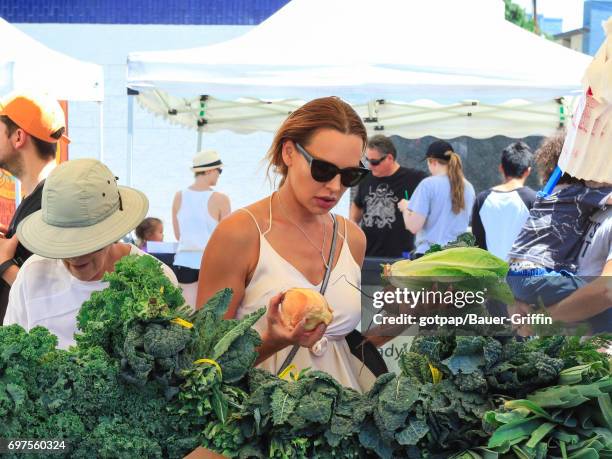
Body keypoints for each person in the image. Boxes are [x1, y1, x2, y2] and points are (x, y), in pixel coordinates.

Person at [196, 96, 384, 393]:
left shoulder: (352, 238)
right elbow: (204, 360)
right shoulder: (240, 233)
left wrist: (408, 315)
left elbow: (340, 343)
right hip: (258, 422)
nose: (335, 187)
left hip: (342, 420)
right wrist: (274, 341)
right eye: (322, 170)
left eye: (350, 175)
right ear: (289, 152)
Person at [3, 159, 178, 349]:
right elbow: (10, 355)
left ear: (112, 230)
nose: (75, 256)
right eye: (63, 241)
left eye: (85, 242)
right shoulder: (32, 274)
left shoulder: (157, 281)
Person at [505, 130, 612, 312]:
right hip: (537, 274)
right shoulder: (579, 193)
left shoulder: (549, 194)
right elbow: (605, 292)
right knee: (595, 293)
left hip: (515, 273)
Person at [0, 92, 68, 323]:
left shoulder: (52, 204)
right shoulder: (43, 196)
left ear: (18, 136)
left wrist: (4, 264)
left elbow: (63, 298)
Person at [350, 135, 426, 258]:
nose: (370, 166)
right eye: (367, 160)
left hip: (400, 257)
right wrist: (352, 222)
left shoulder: (414, 178)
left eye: (374, 162)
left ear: (389, 158)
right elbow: (357, 204)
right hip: (368, 255)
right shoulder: (366, 178)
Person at [172, 150, 230, 308]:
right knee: (210, 316)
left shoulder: (179, 196)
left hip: (184, 261)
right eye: (220, 170)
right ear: (210, 170)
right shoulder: (221, 199)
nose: (219, 175)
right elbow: (226, 238)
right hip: (211, 262)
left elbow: (178, 235)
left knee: (186, 315)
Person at [397, 140, 475, 257]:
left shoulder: (428, 185)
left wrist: (405, 208)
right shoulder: (468, 187)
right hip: (457, 258)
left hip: (430, 257)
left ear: (432, 161)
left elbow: (413, 226)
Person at [471, 141, 536, 260]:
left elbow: (477, 243)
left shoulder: (482, 199)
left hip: (492, 274)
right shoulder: (533, 199)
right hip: (524, 274)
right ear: (528, 171)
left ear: (501, 168)